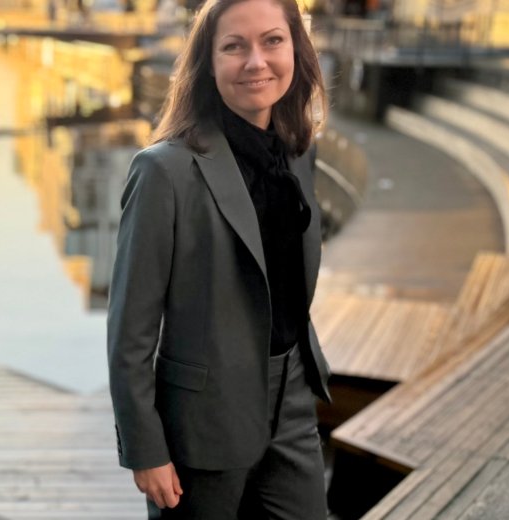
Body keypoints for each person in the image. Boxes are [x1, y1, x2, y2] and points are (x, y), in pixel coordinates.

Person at [106, 0, 332, 518]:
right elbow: (130, 329)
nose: (256, 61)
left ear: (296, 48)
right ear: (208, 63)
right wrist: (145, 447)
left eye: (272, 41)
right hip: (203, 420)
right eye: (234, 46)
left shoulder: (298, 152)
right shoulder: (164, 171)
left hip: (293, 400)